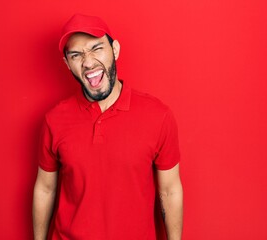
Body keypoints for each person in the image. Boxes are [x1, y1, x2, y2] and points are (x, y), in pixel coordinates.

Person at [33, 14, 183, 240]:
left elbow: (170, 191)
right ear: (67, 64)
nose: (89, 62)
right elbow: (45, 189)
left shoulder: (158, 116)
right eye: (76, 55)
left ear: (115, 50)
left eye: (96, 48)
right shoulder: (54, 120)